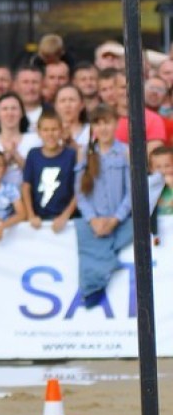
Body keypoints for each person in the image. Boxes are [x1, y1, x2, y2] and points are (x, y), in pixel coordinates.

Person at [73, 104, 132, 307]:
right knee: (92, 261)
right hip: (94, 223)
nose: (103, 128)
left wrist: (115, 219)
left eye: (107, 122)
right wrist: (93, 220)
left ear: (116, 124)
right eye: (98, 123)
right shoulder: (85, 153)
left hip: (119, 221)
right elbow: (80, 192)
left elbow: (132, 191)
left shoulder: (125, 152)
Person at [21, 109, 78, 233]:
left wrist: (65, 216)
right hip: (38, 218)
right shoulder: (33, 154)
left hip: (66, 220)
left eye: (54, 129)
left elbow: (79, 189)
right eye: (45, 130)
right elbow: (26, 186)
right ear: (39, 132)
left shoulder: (71, 155)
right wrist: (31, 215)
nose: (50, 134)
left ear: (61, 130)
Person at [0, 92, 40, 189]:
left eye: (14, 108)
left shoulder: (35, 139)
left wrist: (16, 155)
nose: (9, 113)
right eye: (5, 109)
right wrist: (5, 158)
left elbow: (40, 173)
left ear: (22, 113)